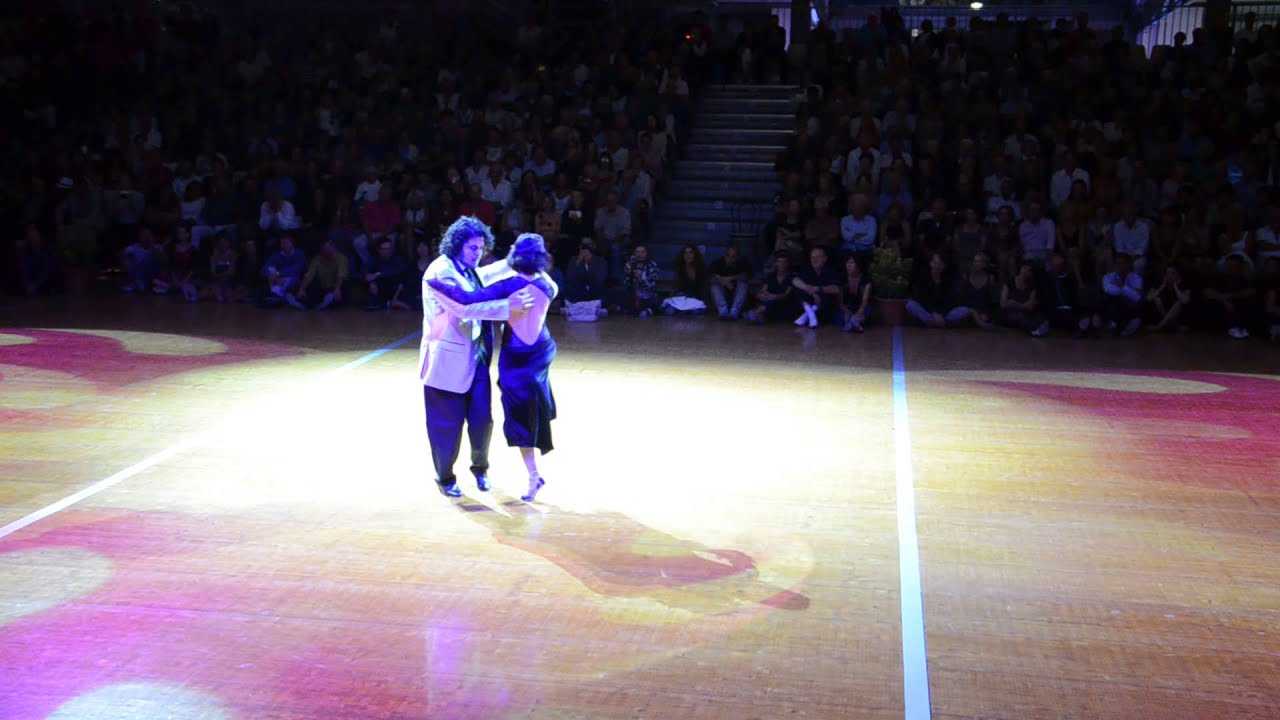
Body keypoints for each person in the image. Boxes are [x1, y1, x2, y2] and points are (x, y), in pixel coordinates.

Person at [427, 233, 560, 502]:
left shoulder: (509, 288)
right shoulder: (549, 285)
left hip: (519, 357)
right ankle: (531, 469)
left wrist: (438, 286)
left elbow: (468, 300)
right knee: (531, 408)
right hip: (543, 351)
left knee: (520, 418)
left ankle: (533, 474)